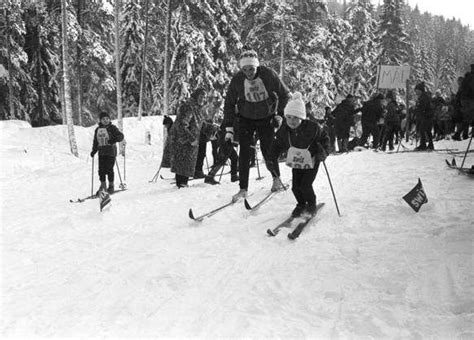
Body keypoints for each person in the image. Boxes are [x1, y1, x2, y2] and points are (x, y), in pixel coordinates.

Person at [222, 49, 290, 202]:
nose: (248, 73)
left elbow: (285, 94)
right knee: (245, 154)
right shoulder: (238, 79)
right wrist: (229, 128)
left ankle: (276, 179)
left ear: (257, 66)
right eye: (244, 69)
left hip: (266, 118)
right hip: (245, 118)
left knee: (268, 151)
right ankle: (243, 188)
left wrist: (279, 114)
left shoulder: (268, 74)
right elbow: (229, 103)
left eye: (251, 69)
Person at [266, 92, 330, 217]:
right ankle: (301, 204)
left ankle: (311, 204)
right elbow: (276, 144)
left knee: (305, 185)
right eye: (288, 117)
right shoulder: (284, 130)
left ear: (302, 117)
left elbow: (325, 138)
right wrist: (270, 158)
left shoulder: (313, 127)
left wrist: (324, 151)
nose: (292, 121)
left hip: (311, 160)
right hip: (296, 161)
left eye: (295, 117)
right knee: (295, 187)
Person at [162, 88, 207, 188]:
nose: (203, 99)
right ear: (196, 96)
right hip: (182, 141)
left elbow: (199, 124)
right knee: (182, 164)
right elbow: (182, 125)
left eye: (204, 97)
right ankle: (181, 185)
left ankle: (183, 184)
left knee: (187, 164)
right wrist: (191, 139)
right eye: (201, 96)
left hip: (190, 143)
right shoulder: (188, 106)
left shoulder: (198, 108)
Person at [90, 111, 125, 194]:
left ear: (109, 119)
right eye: (103, 119)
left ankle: (111, 186)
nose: (105, 120)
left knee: (109, 169)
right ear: (100, 120)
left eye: (107, 119)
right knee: (101, 170)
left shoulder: (113, 128)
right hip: (101, 152)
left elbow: (121, 136)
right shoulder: (98, 129)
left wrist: (113, 140)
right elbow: (96, 141)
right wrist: (94, 151)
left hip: (111, 152)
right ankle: (103, 186)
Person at [413, 82, 434, 150]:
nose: (416, 92)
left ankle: (424, 145)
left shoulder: (424, 97)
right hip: (425, 116)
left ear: (420, 90)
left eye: (417, 91)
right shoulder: (422, 97)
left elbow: (422, 108)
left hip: (426, 116)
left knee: (424, 130)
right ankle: (428, 145)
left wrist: (416, 109)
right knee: (426, 130)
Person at [459, 64, 474, 139]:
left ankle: (462, 133)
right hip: (470, 100)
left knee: (467, 118)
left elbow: (461, 89)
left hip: (464, 100)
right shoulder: (471, 78)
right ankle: (462, 133)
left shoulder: (466, 77)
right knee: (469, 117)